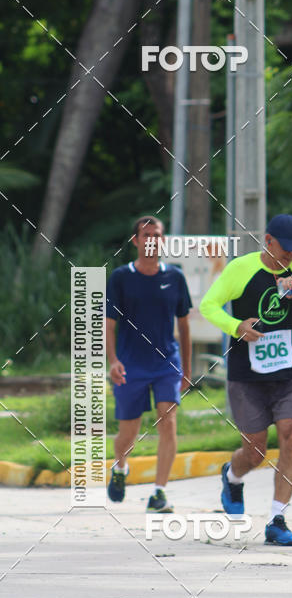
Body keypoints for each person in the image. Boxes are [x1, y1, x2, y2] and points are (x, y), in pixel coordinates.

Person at [199, 214, 292, 546]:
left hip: (287, 372)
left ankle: (277, 520)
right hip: (246, 374)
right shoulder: (242, 269)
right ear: (268, 241)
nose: (291, 256)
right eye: (285, 249)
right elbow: (209, 306)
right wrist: (236, 327)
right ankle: (232, 476)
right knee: (255, 452)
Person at [106, 216, 192, 512]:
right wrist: (113, 360)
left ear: (163, 240)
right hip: (131, 365)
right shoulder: (120, 277)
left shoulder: (175, 277)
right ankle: (120, 468)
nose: (151, 240)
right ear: (135, 241)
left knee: (167, 421)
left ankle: (159, 493)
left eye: (156, 235)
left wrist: (187, 369)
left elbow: (184, 325)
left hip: (166, 362)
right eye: (145, 235)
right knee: (128, 433)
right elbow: (108, 324)